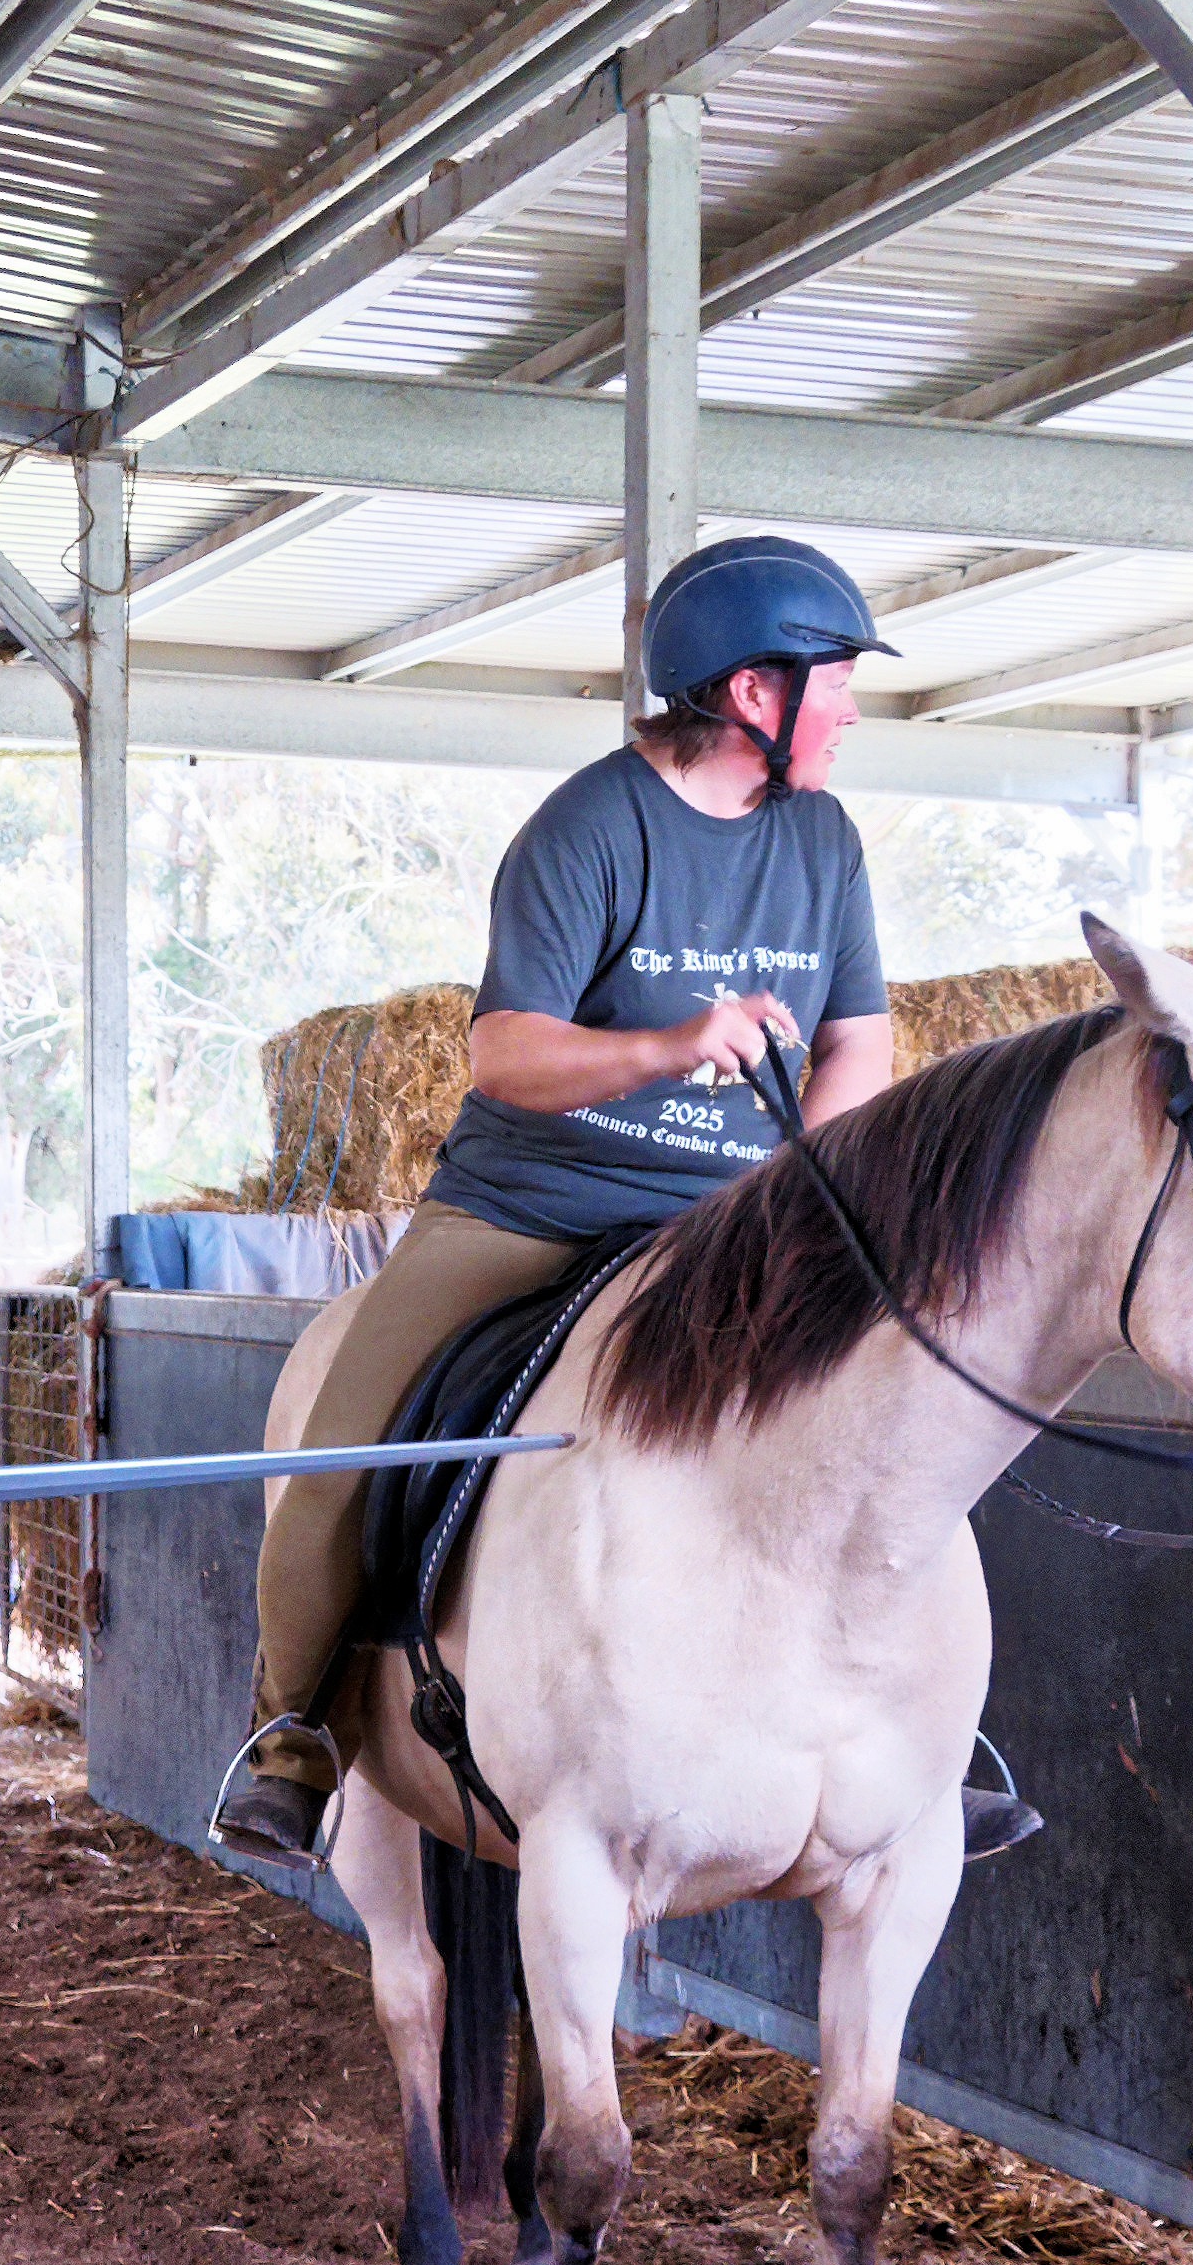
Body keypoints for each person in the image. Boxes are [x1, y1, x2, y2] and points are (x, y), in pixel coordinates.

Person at [216, 532, 898, 1864]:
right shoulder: (588, 828)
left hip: (730, 1225)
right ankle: (290, 1738)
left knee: (895, 1413)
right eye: (837, 683)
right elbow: (503, 1055)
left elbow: (859, 1043)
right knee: (348, 1459)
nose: (853, 710)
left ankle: (916, 1733)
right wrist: (667, 1046)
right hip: (527, 1213)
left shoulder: (824, 840)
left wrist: (799, 1194)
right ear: (753, 693)